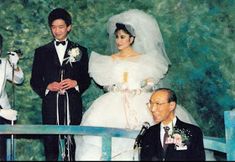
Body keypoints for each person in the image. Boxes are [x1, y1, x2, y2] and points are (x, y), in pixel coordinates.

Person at [75, 9, 197, 160]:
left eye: (122, 37)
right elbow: (106, 84)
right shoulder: (108, 60)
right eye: (117, 37)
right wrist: (114, 87)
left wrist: (144, 85)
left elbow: (150, 83)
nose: (118, 41)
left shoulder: (146, 60)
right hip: (113, 104)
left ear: (132, 39)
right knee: (102, 138)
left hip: (141, 101)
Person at [30, 8, 90, 161]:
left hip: (73, 105)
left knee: (73, 144)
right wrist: (47, 87)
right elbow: (35, 80)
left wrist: (75, 83)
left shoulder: (80, 50)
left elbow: (86, 78)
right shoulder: (41, 52)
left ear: (69, 27)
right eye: (53, 27)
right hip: (50, 106)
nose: (57, 31)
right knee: (50, 144)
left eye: (61, 27)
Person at [140, 88, 205, 161]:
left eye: (158, 104)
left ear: (172, 105)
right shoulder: (148, 133)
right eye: (151, 103)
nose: (153, 109)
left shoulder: (192, 132)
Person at [0, 34, 23, 160]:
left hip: (3, 114)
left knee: (3, 153)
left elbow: (19, 79)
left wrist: (15, 65)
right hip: (2, 112)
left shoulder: (3, 63)